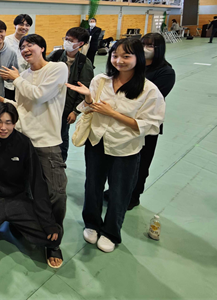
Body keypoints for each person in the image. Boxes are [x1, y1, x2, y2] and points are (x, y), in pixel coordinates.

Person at [67, 37, 165, 253]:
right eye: (115, 55)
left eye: (126, 56)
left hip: (125, 147)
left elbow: (151, 125)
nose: (119, 60)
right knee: (92, 186)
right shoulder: (100, 81)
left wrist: (113, 114)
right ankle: (92, 223)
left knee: (120, 192)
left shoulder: (149, 90)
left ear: (138, 58)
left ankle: (111, 232)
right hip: (96, 141)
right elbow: (89, 108)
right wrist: (88, 99)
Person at [0, 34, 68, 237]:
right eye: (22, 47)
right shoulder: (24, 76)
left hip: (46, 142)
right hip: (24, 141)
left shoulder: (57, 68)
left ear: (42, 48)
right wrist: (2, 99)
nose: (25, 49)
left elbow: (39, 96)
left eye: (31, 45)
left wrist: (17, 79)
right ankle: (29, 227)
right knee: (27, 189)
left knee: (55, 192)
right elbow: (22, 107)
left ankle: (54, 235)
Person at [0, 103, 63, 268]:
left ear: (15, 123)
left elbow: (37, 182)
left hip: (17, 199)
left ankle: (16, 225)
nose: (3, 128)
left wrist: (48, 222)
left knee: (53, 237)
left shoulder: (23, 143)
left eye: (8, 122)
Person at [127, 33, 176, 209]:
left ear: (159, 49)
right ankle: (119, 191)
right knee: (125, 160)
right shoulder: (135, 65)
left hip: (146, 123)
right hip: (125, 120)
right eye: (142, 44)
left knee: (142, 162)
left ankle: (134, 196)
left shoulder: (165, 72)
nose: (145, 48)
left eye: (150, 45)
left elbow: (153, 99)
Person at [47, 27, 94, 162]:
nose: (66, 42)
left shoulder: (84, 63)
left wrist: (75, 111)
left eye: (71, 40)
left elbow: (84, 90)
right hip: (50, 103)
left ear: (80, 44)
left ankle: (60, 163)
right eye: (66, 39)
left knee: (62, 136)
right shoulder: (55, 56)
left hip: (66, 108)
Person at [3, 14, 32, 99]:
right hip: (7, 84)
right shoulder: (6, 41)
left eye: (27, 25)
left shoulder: (30, 43)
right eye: (21, 24)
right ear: (15, 25)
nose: (24, 27)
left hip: (23, 82)